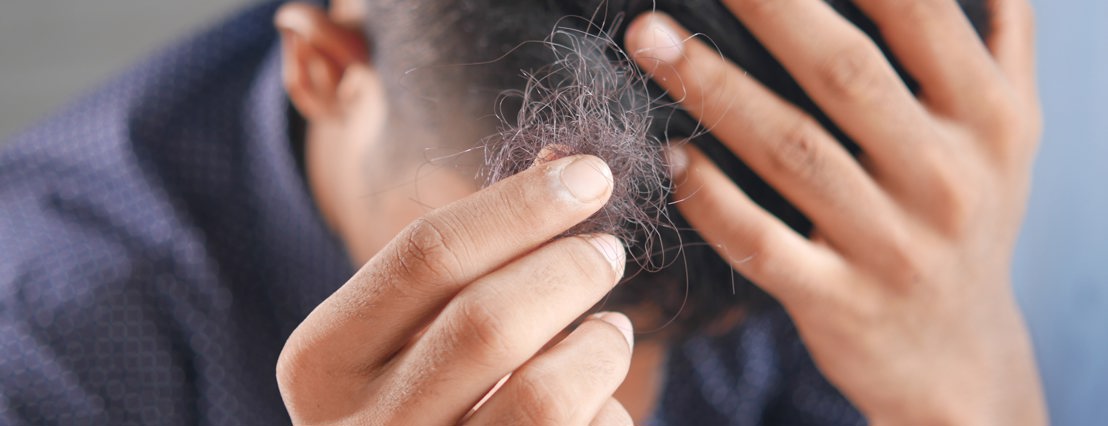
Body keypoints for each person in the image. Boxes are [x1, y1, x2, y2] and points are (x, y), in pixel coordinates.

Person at [0, 0, 1045, 424]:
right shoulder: (46, 352)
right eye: (509, 275)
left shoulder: (870, 225)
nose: (604, 408)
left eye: (691, 325)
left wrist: (978, 390)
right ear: (326, 65)